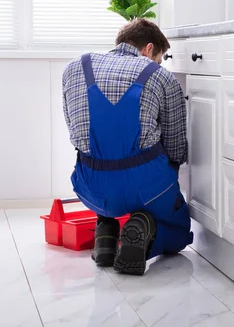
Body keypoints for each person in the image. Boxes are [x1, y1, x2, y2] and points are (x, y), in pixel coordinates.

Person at [62, 18, 193, 275]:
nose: (158, 63)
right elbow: (176, 146)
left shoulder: (74, 68)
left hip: (91, 186)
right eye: (160, 57)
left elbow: (73, 131)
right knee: (178, 228)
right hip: (147, 186)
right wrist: (171, 185)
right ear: (148, 48)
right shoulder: (162, 77)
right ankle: (145, 227)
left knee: (110, 184)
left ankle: (106, 232)